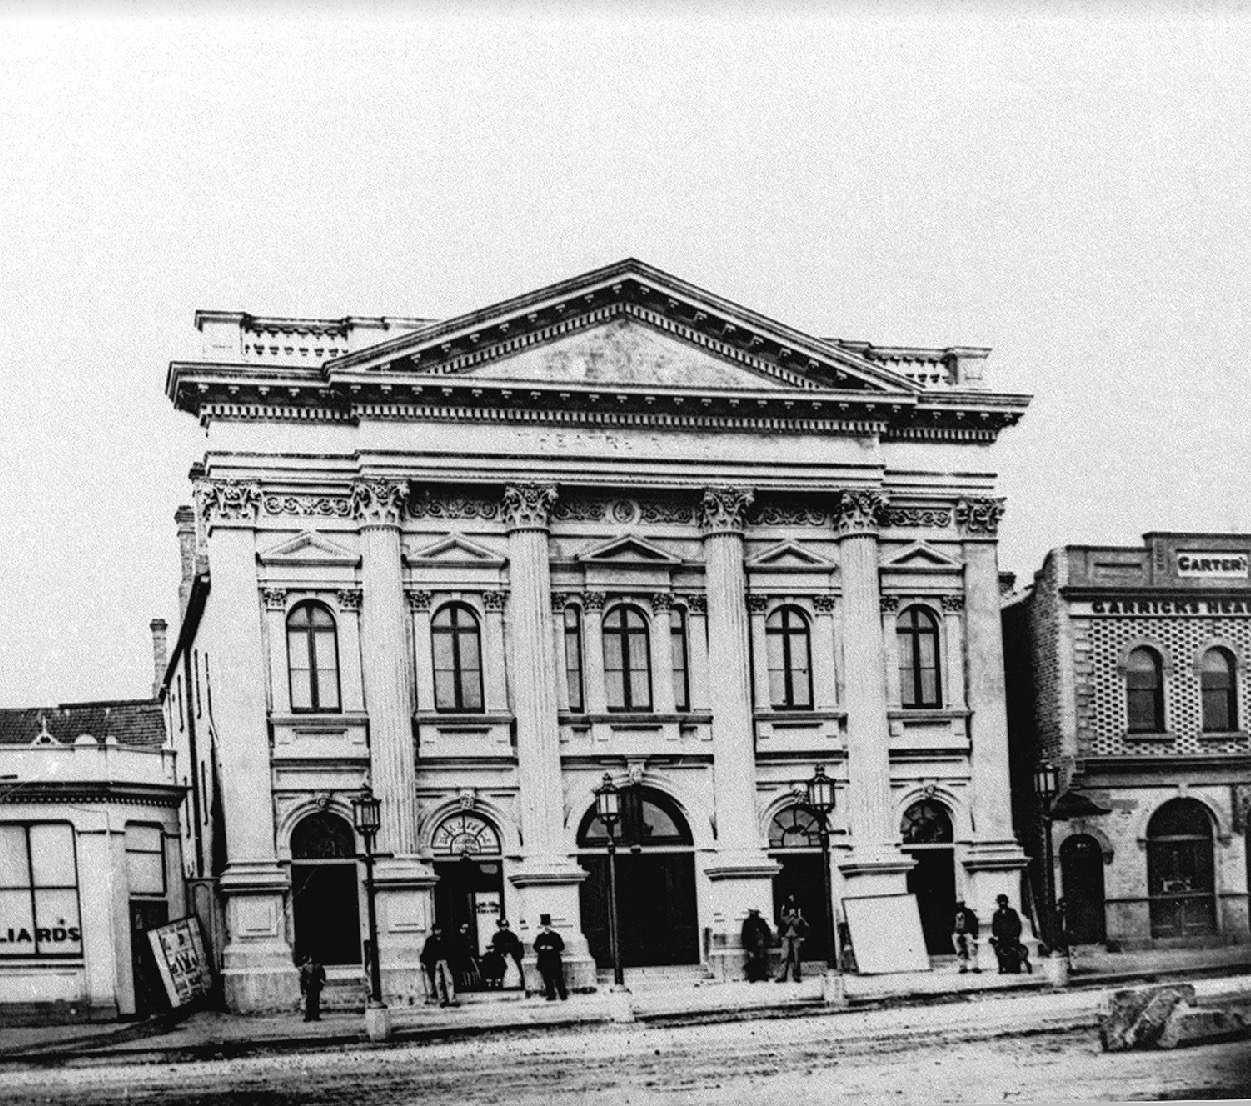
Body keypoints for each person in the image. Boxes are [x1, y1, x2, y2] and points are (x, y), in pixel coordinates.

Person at [990, 894, 1032, 975]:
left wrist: (1016, 935)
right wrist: (995, 933)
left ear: (1007, 902)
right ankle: (1004, 967)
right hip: (1002, 937)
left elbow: (1017, 924)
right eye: (1000, 902)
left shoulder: (1012, 912)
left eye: (1004, 902)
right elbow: (994, 925)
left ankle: (1015, 968)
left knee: (1014, 952)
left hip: (1012, 936)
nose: (1002, 904)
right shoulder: (996, 914)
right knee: (1002, 953)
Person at [420, 924, 458, 1007]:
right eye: (436, 930)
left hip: (445, 962)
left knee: (449, 981)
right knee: (438, 982)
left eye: (439, 929)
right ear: (433, 931)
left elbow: (452, 951)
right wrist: (423, 961)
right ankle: (442, 999)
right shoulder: (430, 940)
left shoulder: (446, 939)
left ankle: (452, 999)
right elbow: (426, 952)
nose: (438, 931)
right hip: (435, 963)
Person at [533, 914, 568, 1000]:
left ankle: (563, 995)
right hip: (544, 960)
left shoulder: (555, 936)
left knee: (558, 978)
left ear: (550, 925)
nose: (546, 927)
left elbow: (561, 946)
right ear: (541, 926)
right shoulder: (540, 937)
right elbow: (535, 947)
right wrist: (541, 947)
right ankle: (551, 995)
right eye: (544, 925)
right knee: (547, 979)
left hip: (554, 960)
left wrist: (552, 947)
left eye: (548, 925)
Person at [775, 895, 809, 983]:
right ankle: (781, 975)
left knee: (796, 957)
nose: (792, 912)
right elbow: (780, 928)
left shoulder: (799, 919)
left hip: (796, 937)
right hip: (786, 937)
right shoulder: (785, 919)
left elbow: (806, 927)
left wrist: (803, 936)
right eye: (790, 910)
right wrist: (781, 937)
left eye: (793, 910)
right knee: (784, 956)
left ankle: (797, 975)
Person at [490, 918, 526, 991]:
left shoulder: (512, 935)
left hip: (511, 957)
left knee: (513, 970)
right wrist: (500, 953)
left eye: (505, 925)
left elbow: (516, 946)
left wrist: (510, 951)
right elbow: (495, 946)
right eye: (502, 926)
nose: (504, 927)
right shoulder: (496, 936)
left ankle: (516, 984)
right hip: (500, 957)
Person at [741, 907, 773, 983]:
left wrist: (764, 940)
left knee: (761, 960)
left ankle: (761, 975)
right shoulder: (747, 922)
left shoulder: (761, 921)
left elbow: (767, 931)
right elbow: (744, 934)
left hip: (760, 944)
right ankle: (753, 976)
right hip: (751, 944)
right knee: (752, 960)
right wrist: (746, 945)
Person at [953, 900, 981, 974]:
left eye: (961, 904)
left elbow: (974, 922)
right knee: (960, 951)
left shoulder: (969, 912)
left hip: (967, 933)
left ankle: (975, 966)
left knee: (972, 950)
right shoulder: (953, 912)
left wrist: (974, 933)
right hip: (957, 933)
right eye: (958, 904)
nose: (960, 906)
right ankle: (963, 967)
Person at [453, 922, 481, 991]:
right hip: (460, 958)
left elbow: (471, 948)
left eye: (466, 929)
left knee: (471, 972)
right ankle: (464, 986)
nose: (464, 930)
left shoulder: (468, 937)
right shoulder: (457, 938)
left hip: (468, 957)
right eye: (463, 928)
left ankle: (472, 986)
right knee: (463, 973)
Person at [298, 953, 326, 1022]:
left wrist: (321, 985)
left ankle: (313, 1016)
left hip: (313, 986)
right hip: (311, 986)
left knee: (314, 1001)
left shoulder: (317, 966)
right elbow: (302, 979)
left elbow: (322, 977)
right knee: (311, 1002)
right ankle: (311, 1016)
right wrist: (303, 988)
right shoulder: (306, 967)